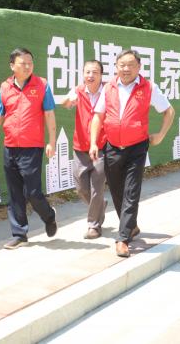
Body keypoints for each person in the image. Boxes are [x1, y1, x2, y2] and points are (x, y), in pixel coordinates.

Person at [90, 49, 175, 257]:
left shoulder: (148, 87)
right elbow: (98, 116)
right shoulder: (108, 87)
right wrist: (93, 142)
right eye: (122, 65)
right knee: (117, 191)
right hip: (112, 146)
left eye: (130, 65)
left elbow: (168, 111)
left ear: (139, 67)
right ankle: (131, 226)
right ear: (116, 67)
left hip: (137, 147)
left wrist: (161, 135)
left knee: (131, 192)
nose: (126, 69)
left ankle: (122, 239)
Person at [0, 47, 58, 249]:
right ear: (12, 66)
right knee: (15, 193)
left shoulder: (42, 85)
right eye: (22, 63)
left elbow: (49, 114)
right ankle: (19, 234)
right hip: (10, 147)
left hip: (32, 147)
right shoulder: (5, 87)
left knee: (32, 192)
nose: (27, 66)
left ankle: (49, 216)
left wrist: (52, 141)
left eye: (30, 63)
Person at [61, 60, 107, 239]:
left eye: (95, 72)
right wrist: (69, 100)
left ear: (101, 75)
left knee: (97, 188)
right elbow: (65, 104)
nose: (90, 75)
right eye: (87, 72)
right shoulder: (78, 90)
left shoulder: (108, 91)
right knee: (81, 189)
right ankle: (100, 206)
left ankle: (93, 226)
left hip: (102, 146)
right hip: (80, 147)